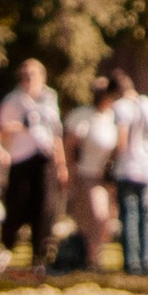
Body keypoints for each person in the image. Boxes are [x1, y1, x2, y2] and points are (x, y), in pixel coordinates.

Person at [0, 59, 62, 268]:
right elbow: (2, 131)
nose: (29, 79)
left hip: (44, 158)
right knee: (17, 206)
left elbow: (56, 133)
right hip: (21, 158)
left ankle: (39, 256)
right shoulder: (13, 100)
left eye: (33, 75)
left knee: (44, 208)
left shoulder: (50, 99)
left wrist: (61, 163)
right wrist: (20, 127)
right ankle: (5, 249)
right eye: (25, 75)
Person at [106, 65, 148, 273]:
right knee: (147, 215)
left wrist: (109, 161)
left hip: (128, 167)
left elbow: (121, 142)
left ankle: (132, 262)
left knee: (130, 216)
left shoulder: (121, 107)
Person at [61, 76, 121, 273]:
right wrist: (69, 172)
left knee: (106, 219)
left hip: (105, 175)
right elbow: (70, 147)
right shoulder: (82, 115)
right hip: (85, 173)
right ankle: (91, 258)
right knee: (94, 216)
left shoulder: (113, 117)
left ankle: (93, 256)